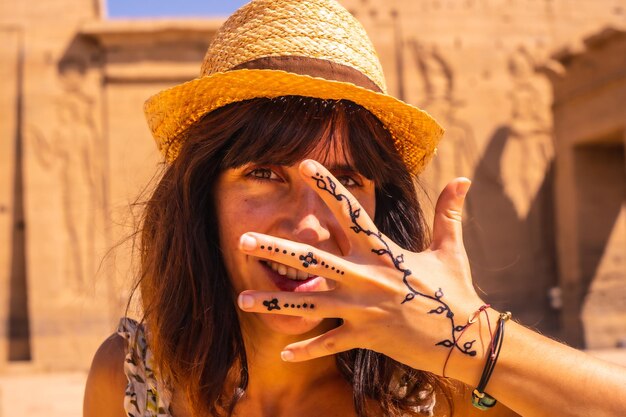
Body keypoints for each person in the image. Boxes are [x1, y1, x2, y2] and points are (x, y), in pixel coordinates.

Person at [83, 1, 626, 416]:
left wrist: (472, 336)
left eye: (344, 180)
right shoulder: (132, 380)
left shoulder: (438, 391)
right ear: (202, 200)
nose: (308, 224)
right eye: (264, 175)